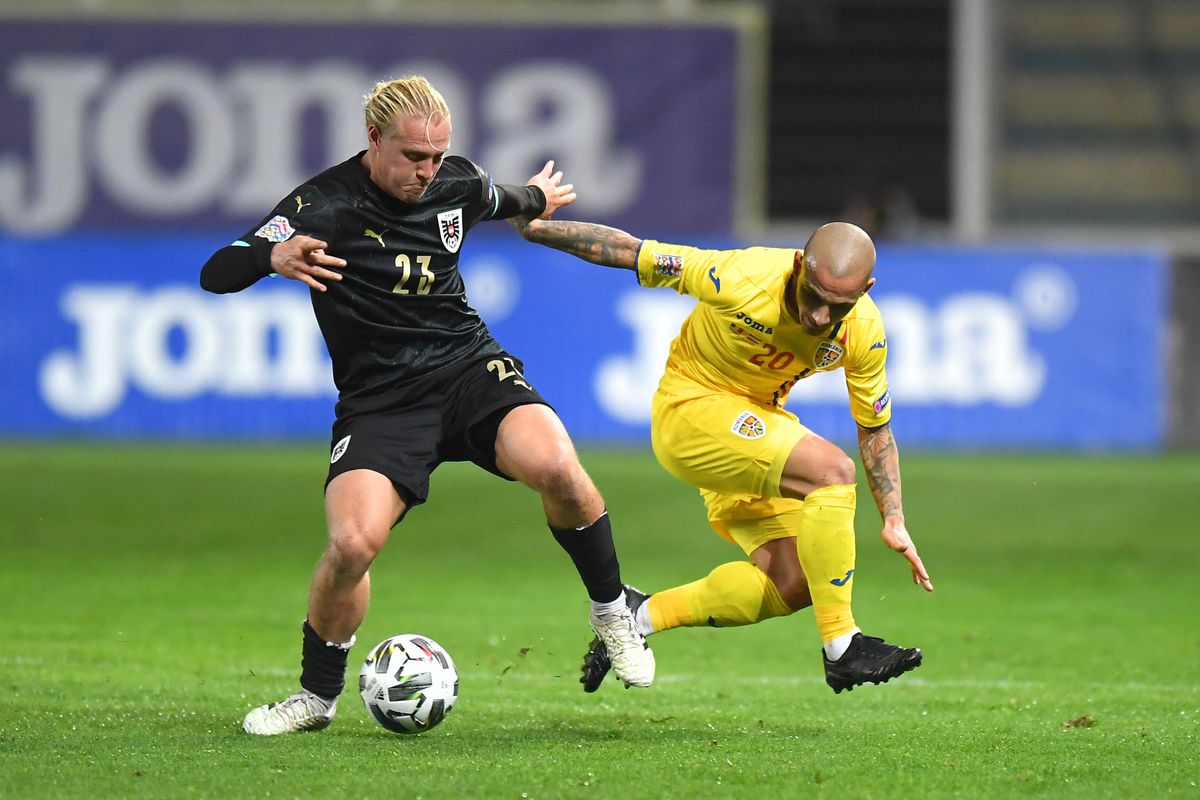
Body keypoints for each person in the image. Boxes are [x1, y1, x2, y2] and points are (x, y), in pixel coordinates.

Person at [199, 75, 654, 735]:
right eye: (414, 157)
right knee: (353, 544)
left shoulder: (454, 183)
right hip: (381, 400)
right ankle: (317, 699)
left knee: (556, 464)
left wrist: (540, 196)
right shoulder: (321, 204)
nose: (426, 171)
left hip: (467, 368)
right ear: (374, 139)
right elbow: (218, 269)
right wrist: (272, 254)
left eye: (437, 156)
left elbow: (504, 197)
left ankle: (612, 609)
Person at [509, 215, 933, 694]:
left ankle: (636, 616)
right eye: (813, 296)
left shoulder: (863, 330)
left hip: (751, 432)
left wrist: (894, 519)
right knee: (832, 471)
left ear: (867, 289)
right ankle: (843, 648)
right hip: (690, 412)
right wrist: (536, 229)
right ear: (798, 266)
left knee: (792, 582)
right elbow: (632, 250)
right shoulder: (741, 276)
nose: (819, 317)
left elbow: (875, 427)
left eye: (838, 306)